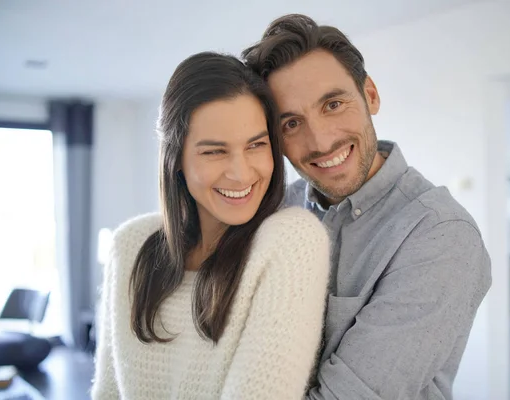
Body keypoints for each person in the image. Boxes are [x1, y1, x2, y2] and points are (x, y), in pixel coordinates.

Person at [243, 14, 492, 400]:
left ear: (370, 95)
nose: (321, 140)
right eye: (291, 123)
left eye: (333, 104)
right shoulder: (275, 209)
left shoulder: (440, 233)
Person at [90, 52, 330, 400]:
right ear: (177, 161)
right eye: (214, 152)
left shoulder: (291, 241)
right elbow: (108, 392)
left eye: (256, 145)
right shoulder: (130, 244)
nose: (241, 172)